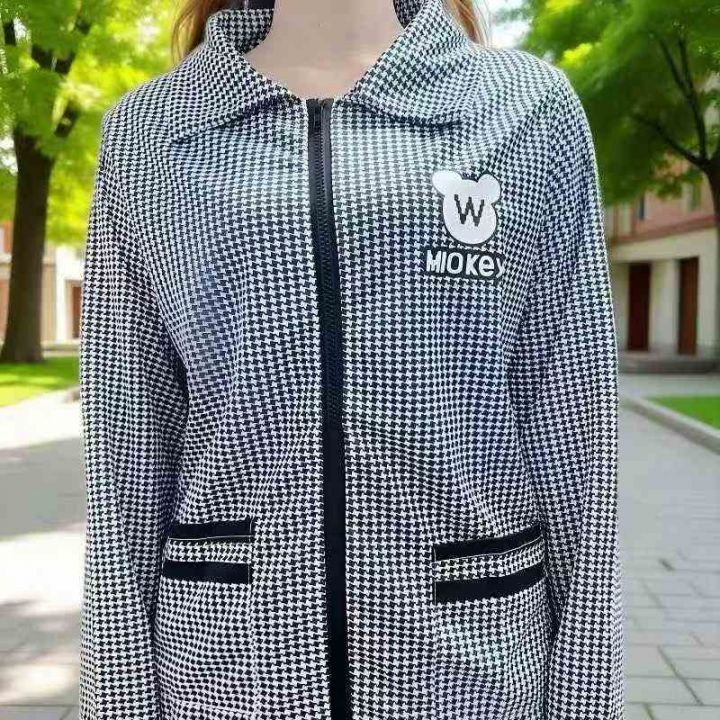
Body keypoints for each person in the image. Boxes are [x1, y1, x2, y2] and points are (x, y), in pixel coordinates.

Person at [78, 0, 624, 718]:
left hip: (470, 660)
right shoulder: (151, 130)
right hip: (229, 664)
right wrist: (116, 699)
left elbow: (575, 430)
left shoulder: (525, 108)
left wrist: (589, 698)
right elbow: (125, 445)